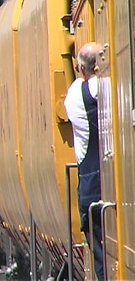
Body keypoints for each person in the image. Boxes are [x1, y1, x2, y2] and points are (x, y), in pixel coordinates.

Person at [64, 42, 104, 281]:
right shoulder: (107, 86)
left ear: (80, 67)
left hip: (91, 183)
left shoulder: (75, 96)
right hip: (107, 183)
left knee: (101, 256)